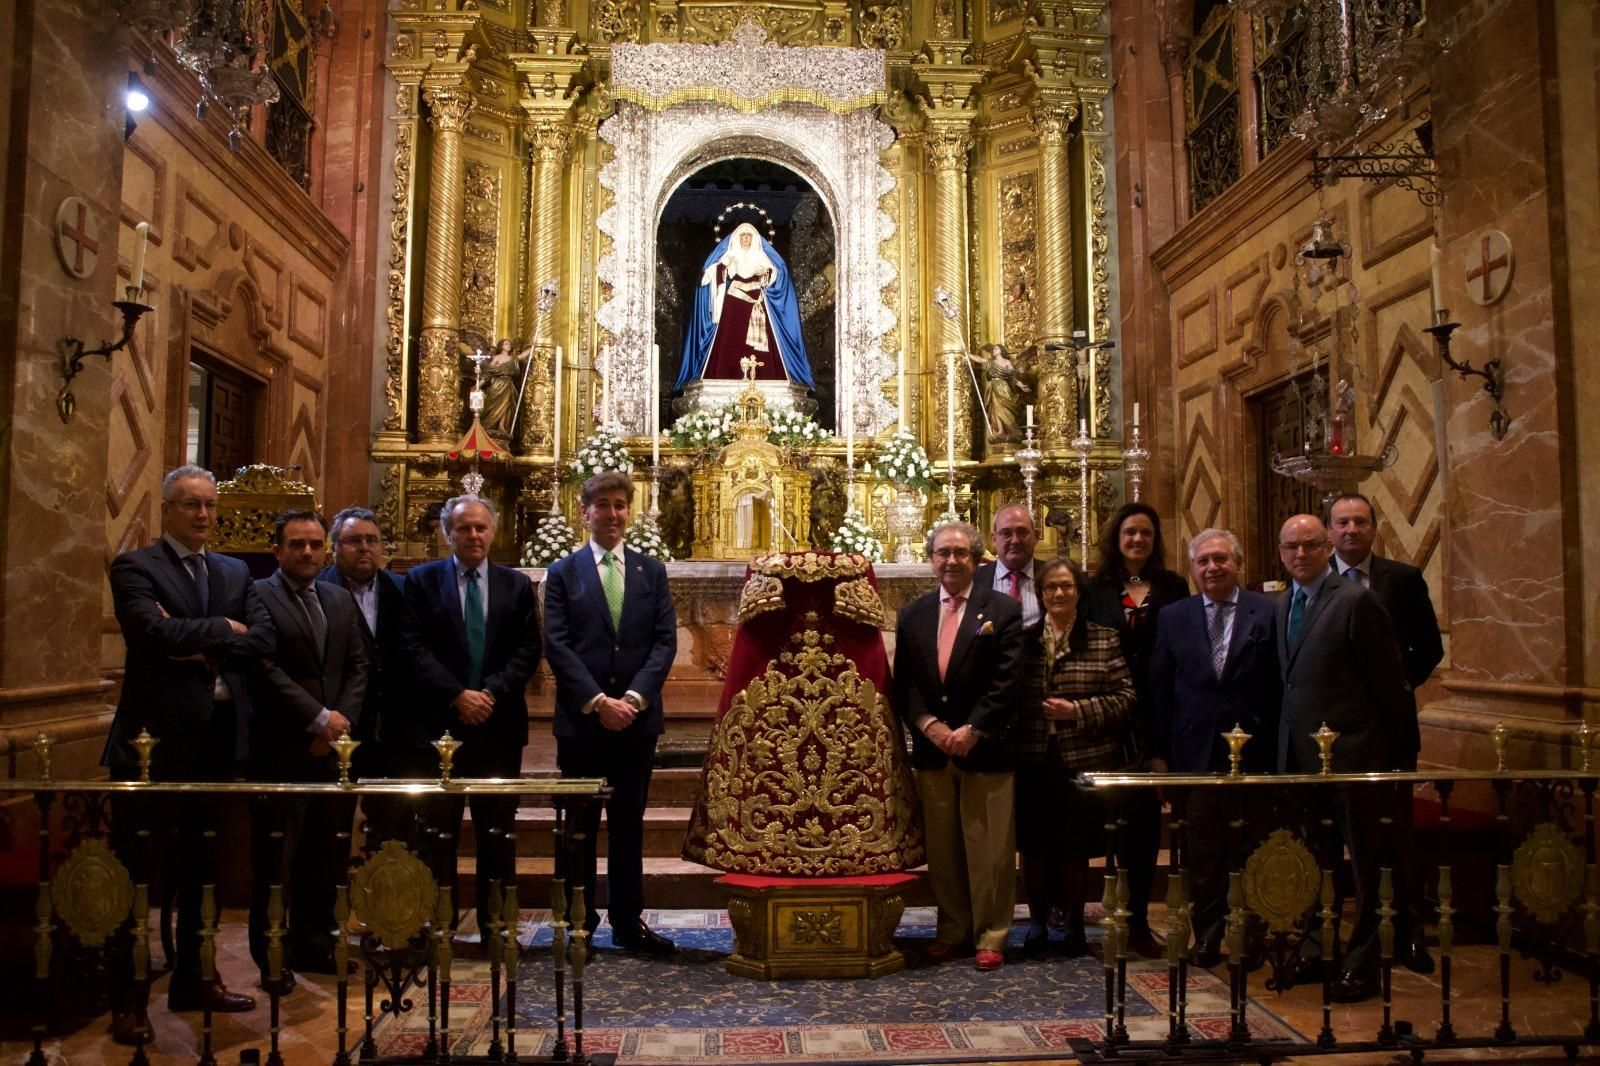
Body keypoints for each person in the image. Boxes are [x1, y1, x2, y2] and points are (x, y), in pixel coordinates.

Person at [102, 465, 271, 1038]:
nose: (203, 515)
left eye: (210, 505)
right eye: (191, 505)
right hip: (152, 745)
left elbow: (263, 641)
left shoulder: (233, 569)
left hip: (218, 741)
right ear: (167, 510)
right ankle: (126, 997)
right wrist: (226, 628)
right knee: (137, 876)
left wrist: (196, 636)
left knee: (204, 870)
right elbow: (150, 634)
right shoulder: (135, 566)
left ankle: (196, 978)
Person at [1276, 513, 1412, 1003]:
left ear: (1326, 545)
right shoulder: (1283, 603)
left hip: (1355, 756)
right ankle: (1316, 947)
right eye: (1290, 547)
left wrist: (1389, 760)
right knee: (1315, 861)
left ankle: (1364, 961)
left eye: (1309, 545)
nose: (1299, 555)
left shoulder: (1357, 602)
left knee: (1366, 868)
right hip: (1301, 759)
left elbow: (1389, 687)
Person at [543, 472, 679, 954]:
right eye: (603, 504)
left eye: (621, 505)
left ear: (630, 511)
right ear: (584, 512)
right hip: (583, 722)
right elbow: (557, 644)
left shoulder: (651, 572)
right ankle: (579, 921)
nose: (613, 514)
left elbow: (664, 642)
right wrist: (599, 702)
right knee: (578, 824)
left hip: (636, 722)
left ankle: (627, 920)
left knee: (628, 822)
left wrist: (635, 700)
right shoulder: (562, 573)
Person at [401, 495, 542, 922]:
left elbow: (528, 649)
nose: (474, 535)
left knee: (497, 830)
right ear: (448, 534)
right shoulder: (421, 581)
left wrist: (489, 694)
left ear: (493, 532)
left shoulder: (515, 584)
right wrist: (457, 694)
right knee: (437, 830)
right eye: (464, 528)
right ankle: (436, 920)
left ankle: (495, 923)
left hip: (498, 726)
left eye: (481, 527)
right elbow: (412, 647)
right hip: (441, 726)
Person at [893, 521, 1024, 972]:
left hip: (985, 748)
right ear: (931, 559)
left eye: (960, 553)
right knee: (944, 849)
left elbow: (1008, 682)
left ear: (976, 559)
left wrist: (973, 729)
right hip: (934, 749)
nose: (951, 561)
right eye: (943, 553)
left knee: (989, 848)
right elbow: (905, 682)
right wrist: (928, 725)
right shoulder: (914, 614)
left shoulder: (1002, 611)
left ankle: (991, 933)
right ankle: (952, 928)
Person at [245, 510, 367, 988]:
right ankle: (272, 956)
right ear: (277, 550)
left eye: (316, 544)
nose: (308, 552)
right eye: (297, 544)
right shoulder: (257, 596)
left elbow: (358, 664)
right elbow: (263, 666)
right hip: (281, 746)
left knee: (325, 853)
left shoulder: (337, 598)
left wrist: (338, 723)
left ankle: (316, 944)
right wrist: (318, 718)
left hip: (332, 751)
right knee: (277, 859)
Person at [1148, 528, 1280, 967]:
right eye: (1203, 561)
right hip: (1195, 753)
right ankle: (1207, 935)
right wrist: (1160, 754)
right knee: (1202, 852)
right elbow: (1160, 689)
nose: (1212, 567)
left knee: (1254, 847)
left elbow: (1280, 684)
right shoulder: (1174, 616)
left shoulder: (1268, 612)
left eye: (1221, 559)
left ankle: (1252, 935)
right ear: (1192, 569)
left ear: (1238, 564)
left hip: (1255, 751)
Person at [1327, 491, 1443, 974]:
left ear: (1375, 528)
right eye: (1342, 523)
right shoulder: (1312, 578)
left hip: (1389, 730)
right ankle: (1336, 935)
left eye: (1359, 521)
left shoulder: (1403, 579)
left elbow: (1428, 648)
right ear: (1328, 530)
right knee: (1333, 836)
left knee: (1395, 836)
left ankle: (1409, 932)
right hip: (1329, 734)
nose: (1351, 530)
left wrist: (1393, 690)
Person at [1016, 556, 1135, 958]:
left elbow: (1125, 698)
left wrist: (1076, 712)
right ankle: (1035, 923)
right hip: (1034, 756)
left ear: (1079, 593)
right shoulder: (1025, 639)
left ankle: (1072, 925)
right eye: (1050, 587)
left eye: (1066, 586)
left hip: (1082, 755)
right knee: (1033, 845)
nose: (1058, 593)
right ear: (1041, 594)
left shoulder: (1103, 638)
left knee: (1074, 846)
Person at [1086, 501, 1189, 957]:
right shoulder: (1095, 589)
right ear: (1117, 538)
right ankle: (1109, 914)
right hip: (1107, 718)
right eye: (1130, 533)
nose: (1137, 541)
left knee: (1145, 828)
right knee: (1110, 824)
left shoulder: (1173, 587)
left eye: (1146, 533)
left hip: (1157, 714)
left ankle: (1141, 921)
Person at [319, 507, 415, 847]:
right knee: (332, 825)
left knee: (395, 826)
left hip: (394, 726)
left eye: (372, 540)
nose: (365, 548)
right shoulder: (317, 589)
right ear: (334, 546)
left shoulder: (405, 589)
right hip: (338, 724)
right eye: (353, 540)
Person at [674, 221, 815, 389]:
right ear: (737, 238)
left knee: (764, 337)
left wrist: (766, 273)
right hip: (735, 298)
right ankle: (726, 374)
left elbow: (774, 273)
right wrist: (723, 266)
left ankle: (765, 379)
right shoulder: (731, 254)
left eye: (749, 236)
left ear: (754, 238)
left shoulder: (761, 255)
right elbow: (713, 273)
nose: (746, 238)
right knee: (731, 335)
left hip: (756, 297)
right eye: (743, 236)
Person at [975, 502, 1043, 630]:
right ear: (994, 539)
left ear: (1036, 536)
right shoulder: (973, 581)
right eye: (1006, 533)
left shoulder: (1054, 577)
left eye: (1022, 532)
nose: (1015, 540)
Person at [967, 343, 1031, 444]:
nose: (994, 350)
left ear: (1001, 350)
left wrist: (1021, 385)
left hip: (1004, 387)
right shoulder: (991, 362)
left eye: (996, 349)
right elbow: (980, 360)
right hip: (994, 386)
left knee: (1005, 407)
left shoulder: (1007, 362)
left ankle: (1012, 430)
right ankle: (1000, 430)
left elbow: (1012, 377)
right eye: (993, 349)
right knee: (995, 409)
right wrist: (968, 354)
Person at [479, 338, 529, 442]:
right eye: (506, 344)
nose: (508, 345)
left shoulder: (512, 358)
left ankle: (502, 425)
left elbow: (522, 356)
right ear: (501, 346)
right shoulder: (497, 357)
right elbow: (488, 372)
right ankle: (489, 424)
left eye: (509, 344)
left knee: (507, 405)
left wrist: (534, 346)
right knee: (493, 404)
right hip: (497, 384)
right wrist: (479, 385)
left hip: (508, 383)